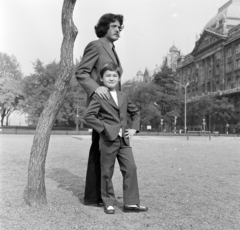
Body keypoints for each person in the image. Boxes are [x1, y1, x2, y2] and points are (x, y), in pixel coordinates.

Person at [84, 62, 148, 214]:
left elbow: (135, 112)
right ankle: (108, 202)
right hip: (108, 139)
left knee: (131, 168)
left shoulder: (124, 96)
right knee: (107, 171)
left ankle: (131, 203)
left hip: (124, 140)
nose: (111, 78)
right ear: (101, 78)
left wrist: (133, 128)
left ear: (119, 78)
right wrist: (105, 129)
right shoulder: (99, 95)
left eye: (115, 75)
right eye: (108, 75)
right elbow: (88, 116)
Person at [75, 14, 124, 206]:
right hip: (101, 108)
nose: (118, 29)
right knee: (98, 150)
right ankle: (94, 197)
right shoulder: (96, 45)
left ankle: (97, 196)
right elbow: (81, 72)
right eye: (114, 26)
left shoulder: (112, 48)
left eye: (120, 27)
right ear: (104, 28)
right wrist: (97, 88)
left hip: (112, 108)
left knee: (103, 150)